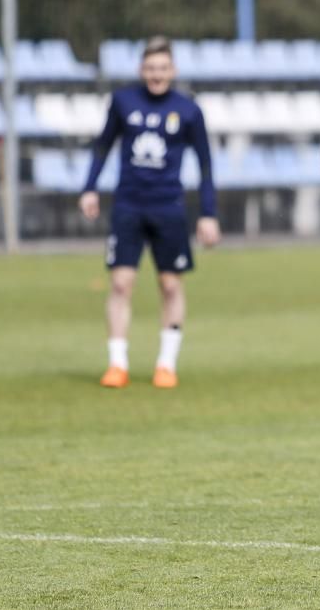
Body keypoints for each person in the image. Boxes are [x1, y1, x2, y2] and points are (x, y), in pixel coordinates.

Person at [79, 35, 220, 389]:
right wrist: (90, 186)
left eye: (162, 68)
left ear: (172, 70)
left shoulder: (188, 110)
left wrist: (208, 213)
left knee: (170, 285)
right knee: (121, 282)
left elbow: (205, 165)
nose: (156, 74)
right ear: (142, 69)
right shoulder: (123, 101)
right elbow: (102, 146)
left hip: (168, 207)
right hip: (128, 203)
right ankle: (117, 363)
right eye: (150, 68)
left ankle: (166, 364)